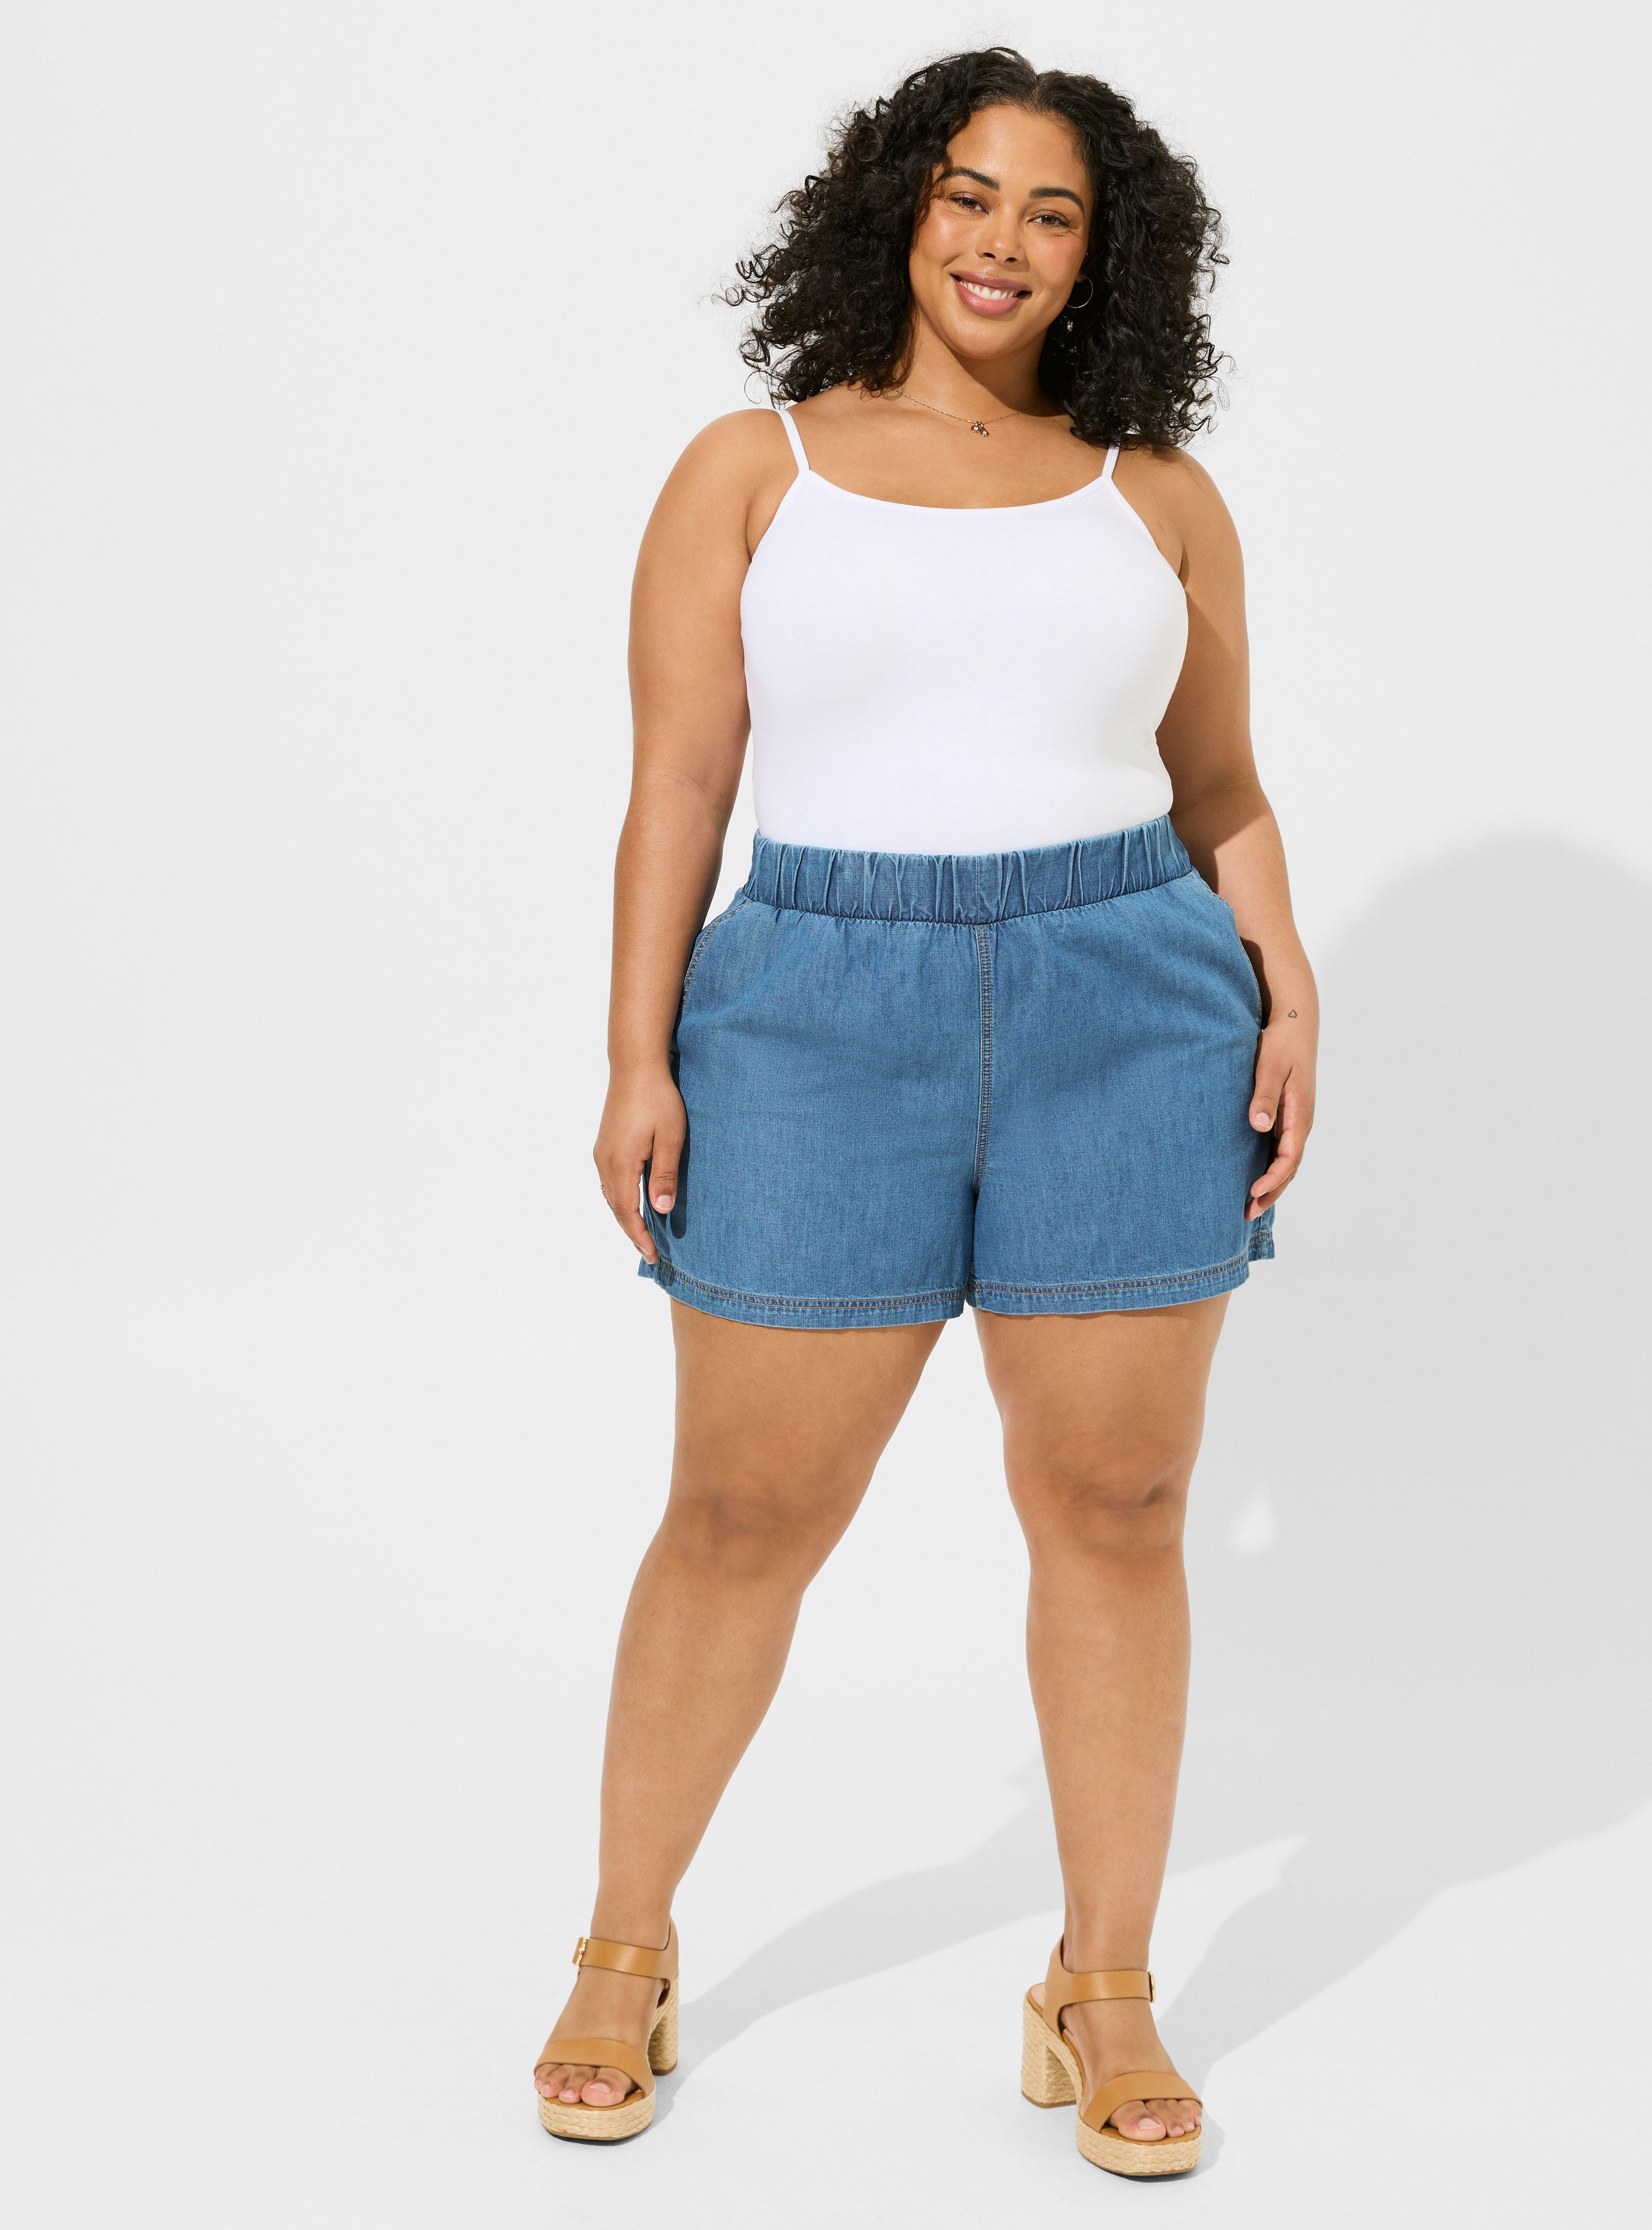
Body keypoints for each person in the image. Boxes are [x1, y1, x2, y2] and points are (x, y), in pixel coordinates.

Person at [534, 46, 1317, 2178]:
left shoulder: (1157, 493)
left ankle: (1103, 1982)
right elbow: (679, 786)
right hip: (813, 1009)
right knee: (743, 1511)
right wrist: (636, 1052)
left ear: (1102, 254)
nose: (1002, 242)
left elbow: (1221, 784)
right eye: (970, 194)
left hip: (1129, 1001)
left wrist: (1288, 974)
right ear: (899, 204)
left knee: (1120, 1506)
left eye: (1053, 213)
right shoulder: (753, 467)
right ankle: (623, 1944)